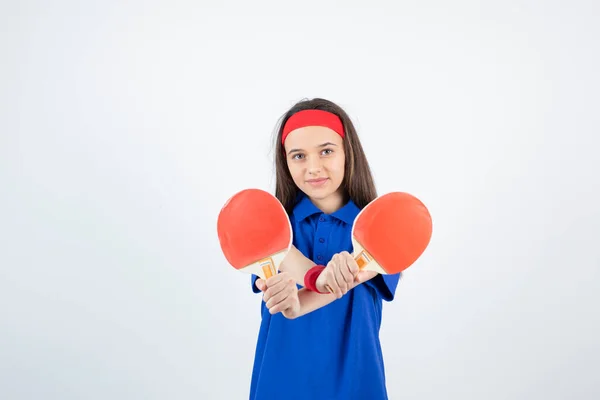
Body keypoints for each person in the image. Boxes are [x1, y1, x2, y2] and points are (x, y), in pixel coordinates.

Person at [249, 98, 401, 400]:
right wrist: (286, 290)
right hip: (278, 385)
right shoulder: (266, 226)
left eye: (327, 151)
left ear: (348, 154)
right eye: (298, 156)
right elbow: (265, 275)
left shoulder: (382, 228)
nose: (313, 167)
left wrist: (301, 301)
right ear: (286, 162)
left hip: (356, 386)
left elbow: (346, 279)